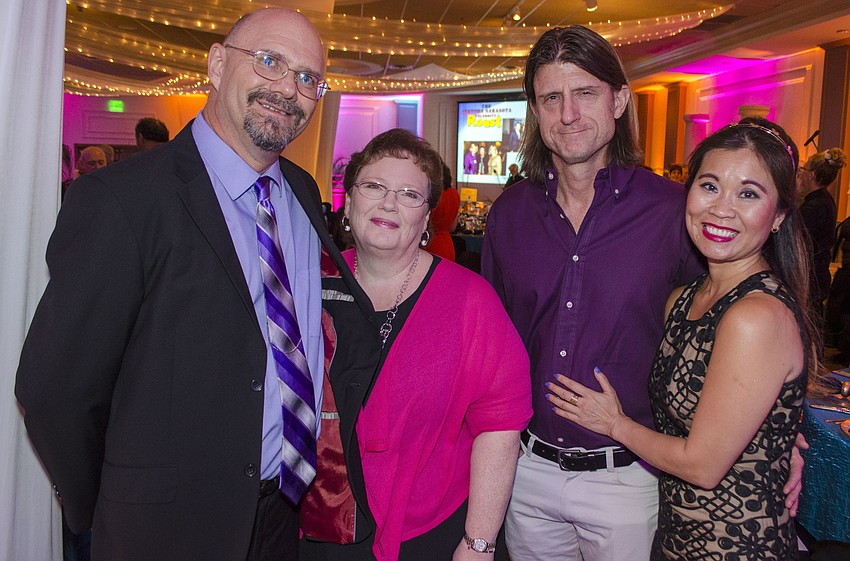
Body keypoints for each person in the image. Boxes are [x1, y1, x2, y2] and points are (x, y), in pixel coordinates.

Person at [16, 8, 349, 561]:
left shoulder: (300, 191)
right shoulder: (123, 200)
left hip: (282, 516)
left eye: (308, 78)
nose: (288, 89)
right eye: (269, 62)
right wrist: (111, 504)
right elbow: (55, 391)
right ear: (217, 64)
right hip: (165, 531)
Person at [480, 26, 804, 561]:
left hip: (630, 478)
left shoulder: (675, 211)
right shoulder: (510, 215)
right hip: (527, 471)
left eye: (585, 93)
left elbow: (742, 322)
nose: (568, 115)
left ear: (619, 100)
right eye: (551, 98)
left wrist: (778, 430)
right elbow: (488, 342)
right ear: (535, 111)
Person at [546, 121, 815, 560]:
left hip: (735, 546)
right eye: (710, 186)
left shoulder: (756, 317)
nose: (722, 209)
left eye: (748, 193)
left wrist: (615, 424)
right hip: (679, 540)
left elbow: (703, 466)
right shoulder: (686, 298)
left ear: (780, 215)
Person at [299, 128, 532, 561]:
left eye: (409, 194)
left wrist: (479, 543)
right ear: (348, 202)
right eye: (374, 186)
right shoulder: (312, 283)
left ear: (426, 218)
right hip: (321, 527)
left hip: (430, 533)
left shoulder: (469, 301)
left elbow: (500, 425)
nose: (389, 202)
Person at [799, 147, 843, 335]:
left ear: (812, 175)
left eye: (804, 170)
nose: (801, 174)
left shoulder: (813, 207)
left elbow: (798, 243)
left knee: (807, 330)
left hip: (810, 277)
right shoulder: (824, 200)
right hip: (817, 274)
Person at [425, 163, 461, 261]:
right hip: (447, 246)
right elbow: (453, 227)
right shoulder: (454, 194)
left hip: (428, 245)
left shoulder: (430, 194)